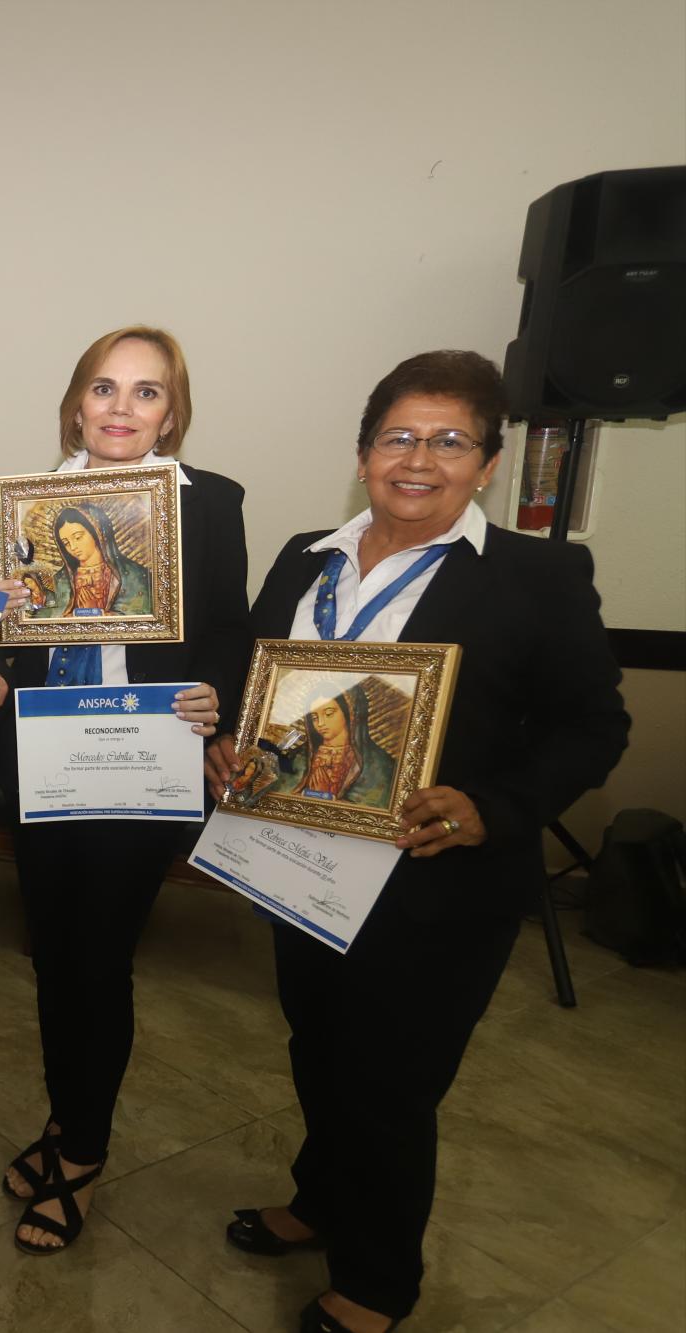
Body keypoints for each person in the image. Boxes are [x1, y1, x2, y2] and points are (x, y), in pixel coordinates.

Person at [206, 350, 627, 1333]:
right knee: (316, 1047)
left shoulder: (536, 574)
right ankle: (319, 1200)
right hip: (298, 863)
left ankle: (377, 1279)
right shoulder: (303, 554)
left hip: (436, 884)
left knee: (389, 1082)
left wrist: (493, 804)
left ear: (485, 463)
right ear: (362, 453)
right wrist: (228, 743)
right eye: (398, 436)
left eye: (448, 441)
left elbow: (592, 726)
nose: (418, 459)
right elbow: (260, 684)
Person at [0, 326, 250, 1254]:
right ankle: (66, 1117)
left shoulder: (209, 505)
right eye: (105, 388)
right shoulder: (28, 507)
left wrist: (219, 692)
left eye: (146, 392)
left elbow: (228, 630)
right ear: (76, 403)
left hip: (144, 762)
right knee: (52, 955)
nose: (122, 409)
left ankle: (84, 1150)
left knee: (100, 958)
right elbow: (6, 657)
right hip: (46, 760)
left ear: (172, 411)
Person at [265, 686, 397, 807]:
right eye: (314, 717)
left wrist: (324, 797)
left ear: (350, 713)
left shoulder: (379, 765)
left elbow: (375, 810)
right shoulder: (299, 757)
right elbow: (275, 794)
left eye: (328, 713)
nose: (320, 723)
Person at [33, 504, 154, 618]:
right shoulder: (60, 581)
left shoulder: (135, 576)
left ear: (97, 533)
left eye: (78, 537)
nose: (73, 547)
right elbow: (42, 622)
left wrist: (93, 612)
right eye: (66, 543)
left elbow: (143, 617)